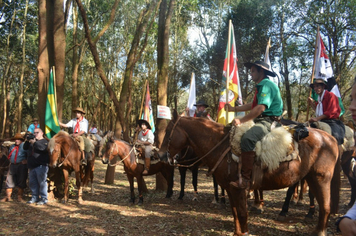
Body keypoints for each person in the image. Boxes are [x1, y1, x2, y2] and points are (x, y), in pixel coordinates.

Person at [225, 60, 283, 189]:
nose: (250, 74)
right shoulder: (262, 85)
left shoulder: (266, 84)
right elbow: (253, 105)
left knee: (247, 139)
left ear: (261, 72)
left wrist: (241, 120)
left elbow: (260, 108)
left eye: (252, 71)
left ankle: (246, 179)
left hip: (268, 121)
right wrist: (234, 109)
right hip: (260, 120)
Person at [336, 77, 356, 235]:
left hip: (329, 121)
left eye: (319, 86)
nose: (351, 107)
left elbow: (331, 112)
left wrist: (318, 117)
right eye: (352, 99)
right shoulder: (317, 97)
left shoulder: (330, 95)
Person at [307, 78, 345, 145]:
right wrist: (311, 103)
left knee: (336, 138)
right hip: (321, 120)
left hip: (331, 121)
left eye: (317, 86)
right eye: (314, 87)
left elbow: (330, 112)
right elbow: (318, 110)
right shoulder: (318, 99)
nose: (315, 88)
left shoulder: (331, 95)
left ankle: (338, 152)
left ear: (323, 87)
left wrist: (316, 119)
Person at [23, 128, 49, 205]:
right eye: (34, 133)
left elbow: (43, 149)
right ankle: (35, 197)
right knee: (32, 183)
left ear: (42, 133)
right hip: (32, 166)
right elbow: (25, 148)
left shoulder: (45, 142)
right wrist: (28, 140)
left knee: (42, 183)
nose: (35, 134)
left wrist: (34, 143)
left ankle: (44, 198)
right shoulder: (33, 141)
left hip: (41, 166)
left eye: (37, 132)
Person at [1, 133, 28, 202]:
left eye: (18, 139)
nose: (16, 141)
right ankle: (8, 197)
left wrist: (27, 160)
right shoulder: (12, 146)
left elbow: (29, 155)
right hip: (12, 165)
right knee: (9, 180)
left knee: (21, 180)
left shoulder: (25, 146)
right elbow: (9, 154)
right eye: (16, 139)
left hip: (21, 165)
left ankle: (20, 197)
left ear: (21, 140)